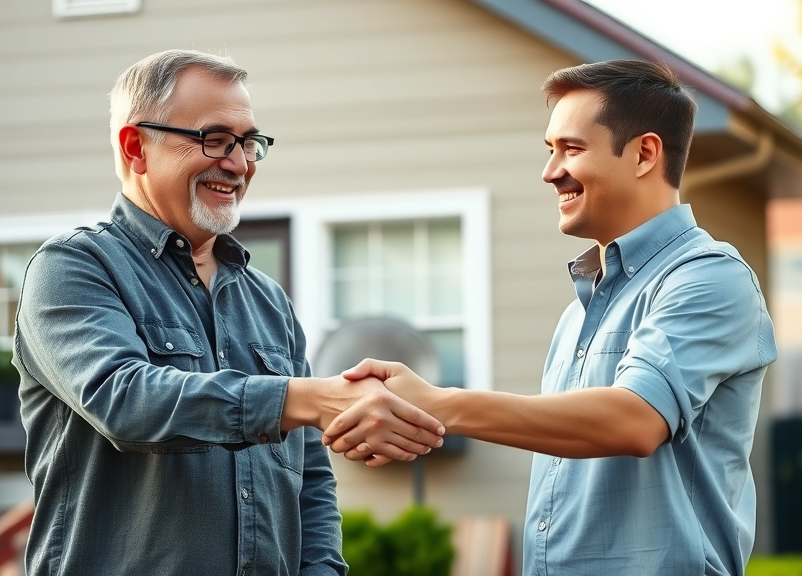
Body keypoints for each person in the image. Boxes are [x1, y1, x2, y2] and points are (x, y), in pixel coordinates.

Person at [325, 60, 777, 576]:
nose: (550, 171)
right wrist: (419, 419)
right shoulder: (576, 314)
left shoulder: (708, 278)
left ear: (644, 154)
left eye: (572, 148)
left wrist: (440, 404)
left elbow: (633, 420)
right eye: (550, 150)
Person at [12, 49, 443, 576]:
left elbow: (310, 475)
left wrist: (324, 570)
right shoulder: (73, 267)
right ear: (135, 147)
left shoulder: (268, 301)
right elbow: (123, 400)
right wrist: (305, 397)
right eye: (214, 139)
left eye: (249, 143)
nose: (239, 164)